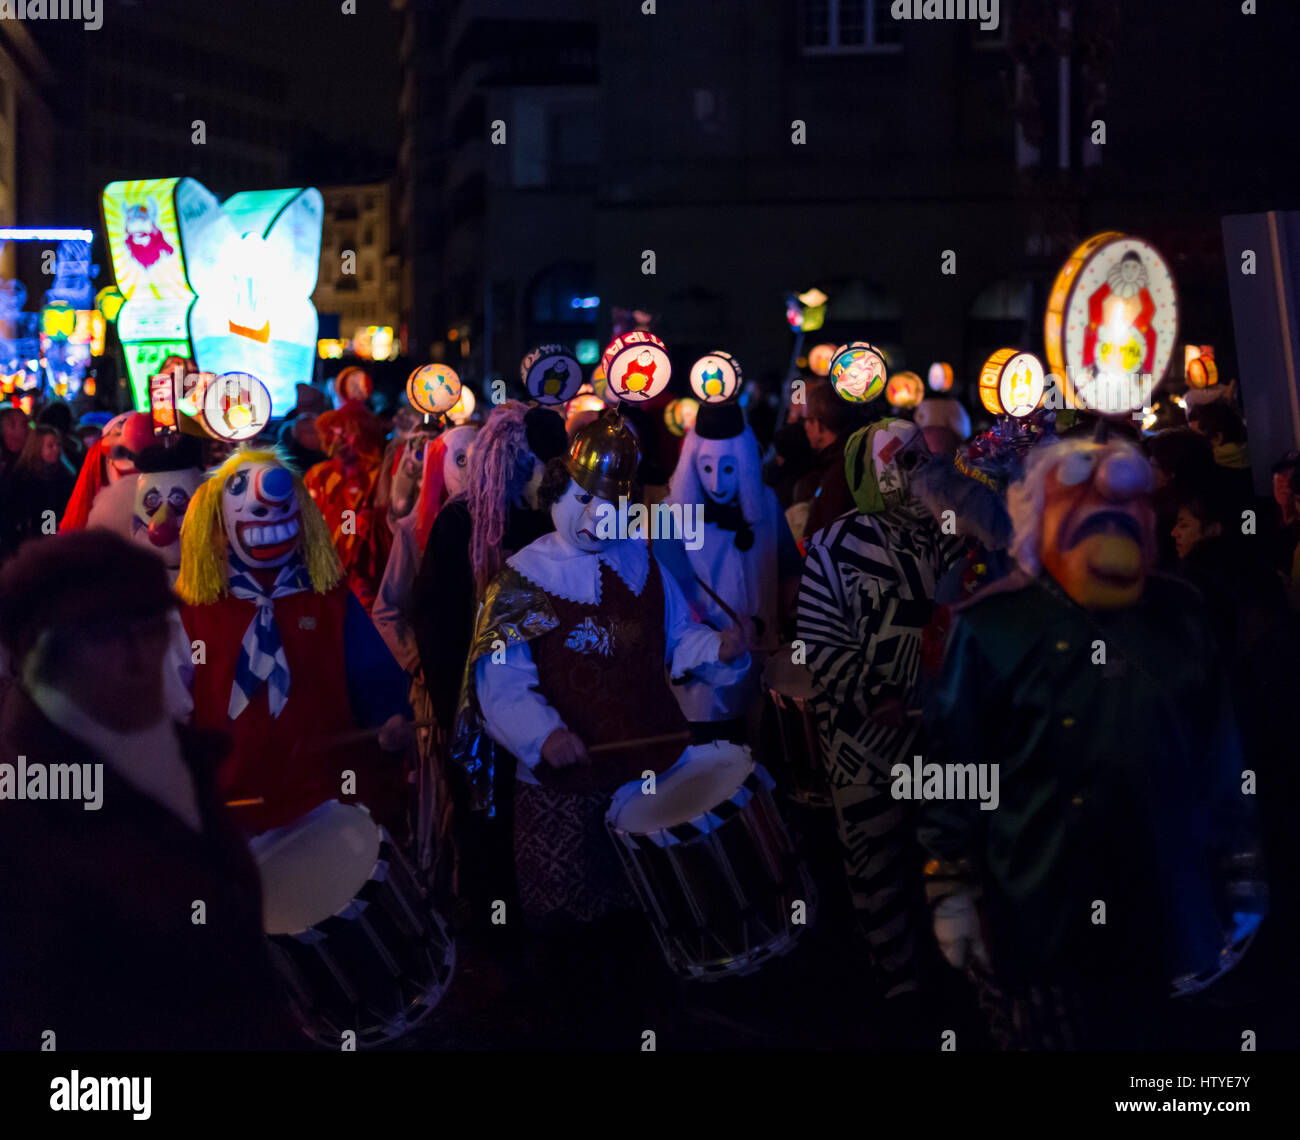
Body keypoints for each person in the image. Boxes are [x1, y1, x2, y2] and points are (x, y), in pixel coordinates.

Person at [921, 434, 1264, 1049]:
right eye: (1085, 504)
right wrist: (951, 882)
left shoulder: (1180, 612)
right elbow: (955, 764)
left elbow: (1219, 753)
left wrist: (1239, 865)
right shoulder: (990, 627)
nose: (1110, 518)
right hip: (1039, 914)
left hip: (1168, 907)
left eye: (1124, 503)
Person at [0, 531, 296, 1048]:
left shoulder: (171, 752)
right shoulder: (29, 817)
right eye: (108, 637)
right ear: (45, 658)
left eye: (150, 629)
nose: (140, 659)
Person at [469, 408, 750, 928]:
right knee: (570, 942)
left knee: (648, 924)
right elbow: (500, 684)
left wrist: (717, 649)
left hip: (648, 775)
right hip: (562, 793)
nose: (597, 518)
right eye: (584, 500)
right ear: (559, 491)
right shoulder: (522, 578)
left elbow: (677, 638)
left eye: (612, 507)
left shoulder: (643, 559)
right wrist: (544, 736)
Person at [796, 417, 964, 1003]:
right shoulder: (832, 544)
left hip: (938, 733)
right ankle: (897, 987)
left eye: (922, 458)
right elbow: (819, 640)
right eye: (905, 460)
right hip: (863, 743)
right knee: (875, 867)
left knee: (949, 854)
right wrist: (871, 695)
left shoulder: (948, 532)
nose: (919, 470)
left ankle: (958, 973)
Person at [176, 447, 411, 836]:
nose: (271, 518)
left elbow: (372, 677)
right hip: (226, 808)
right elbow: (170, 703)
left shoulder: (329, 598)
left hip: (326, 801)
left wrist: (389, 721)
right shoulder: (194, 608)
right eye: (258, 511)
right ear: (217, 525)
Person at [410, 402, 568, 912]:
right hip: (474, 701)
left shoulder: (549, 517)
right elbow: (437, 624)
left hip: (548, 700)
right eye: (543, 466)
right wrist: (467, 700)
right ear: (518, 461)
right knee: (485, 818)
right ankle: (491, 925)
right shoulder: (461, 524)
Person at [660, 400, 801, 738]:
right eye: (706, 469)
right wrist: (711, 640)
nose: (718, 484)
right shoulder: (670, 514)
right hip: (705, 675)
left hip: (765, 667)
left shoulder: (767, 503)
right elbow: (669, 594)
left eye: (728, 469)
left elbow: (788, 572)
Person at [304, 401, 390, 611]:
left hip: (369, 576)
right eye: (335, 431)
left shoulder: (381, 475)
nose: (340, 438)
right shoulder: (320, 475)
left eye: (347, 431)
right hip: (326, 574)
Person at [792, 378, 859, 542]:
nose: (805, 427)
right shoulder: (842, 459)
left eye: (807, 420)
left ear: (820, 424)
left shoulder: (838, 473)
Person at [6, 425, 76, 548]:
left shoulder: (64, 475)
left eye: (58, 445)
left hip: (58, 539)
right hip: (30, 544)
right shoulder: (23, 478)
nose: (56, 449)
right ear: (37, 448)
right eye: (50, 446)